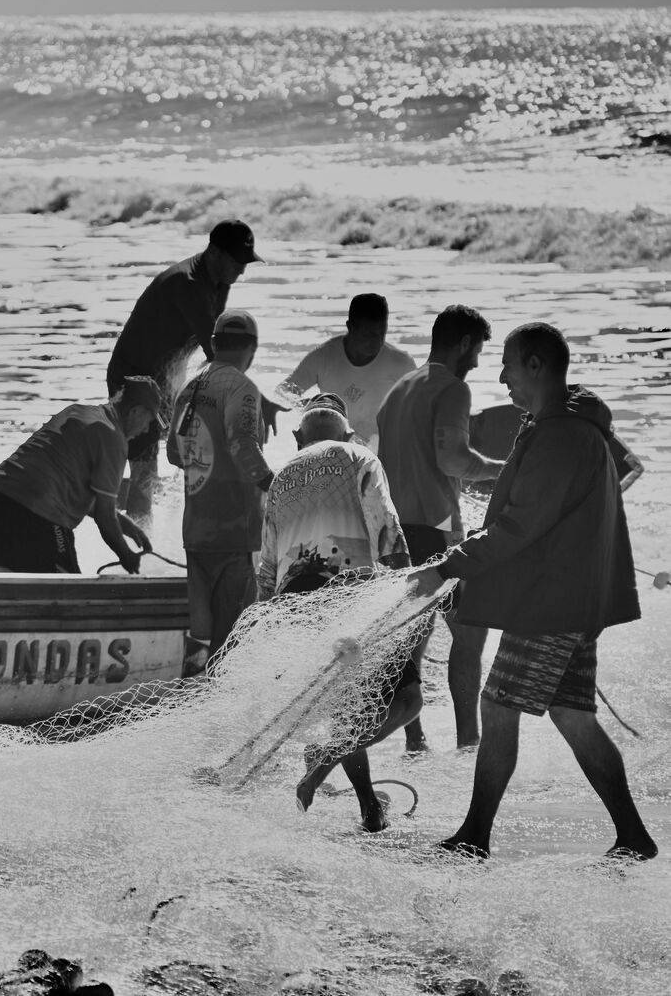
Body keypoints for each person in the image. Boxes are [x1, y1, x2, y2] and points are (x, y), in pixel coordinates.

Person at [411, 322, 655, 862]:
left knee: (498, 706)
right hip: (572, 599)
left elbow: (520, 526)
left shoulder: (561, 434)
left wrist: (448, 566)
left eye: (509, 365)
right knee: (572, 715)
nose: (502, 377)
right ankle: (634, 837)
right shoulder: (560, 425)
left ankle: (473, 836)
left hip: (551, 602)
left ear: (537, 366)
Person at [258, 403, 415, 832]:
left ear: (298, 439)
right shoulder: (358, 456)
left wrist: (268, 626)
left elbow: (267, 565)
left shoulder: (281, 477)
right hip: (349, 592)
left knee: (346, 707)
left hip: (294, 603)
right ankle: (322, 764)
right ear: (347, 436)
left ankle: (369, 809)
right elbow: (387, 528)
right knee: (408, 701)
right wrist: (407, 589)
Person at [374, 304, 503, 752]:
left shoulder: (398, 389)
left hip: (395, 533)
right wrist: (503, 471)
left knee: (413, 633)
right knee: (470, 631)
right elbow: (453, 460)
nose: (478, 363)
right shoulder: (452, 388)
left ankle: (415, 739)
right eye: (478, 350)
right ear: (464, 343)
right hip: (435, 529)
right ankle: (469, 742)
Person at [107, 219, 264, 522]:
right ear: (215, 252)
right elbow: (216, 353)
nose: (242, 271)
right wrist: (253, 398)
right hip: (134, 379)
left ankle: (141, 512)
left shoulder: (220, 281)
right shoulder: (187, 284)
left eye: (246, 262)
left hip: (166, 380)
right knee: (144, 468)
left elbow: (218, 352)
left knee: (179, 454)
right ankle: (137, 537)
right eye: (237, 262)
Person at [167, 308, 274, 678]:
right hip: (235, 531)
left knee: (200, 635)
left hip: (196, 529)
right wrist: (277, 488)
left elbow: (174, 453)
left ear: (214, 343)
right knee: (233, 639)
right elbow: (243, 447)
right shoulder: (242, 388)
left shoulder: (190, 387)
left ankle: (191, 695)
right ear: (252, 349)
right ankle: (219, 700)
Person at [0, 376, 161, 574]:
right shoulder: (113, 438)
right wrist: (126, 556)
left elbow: (71, 488)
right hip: (36, 510)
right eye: (148, 421)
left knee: (11, 577)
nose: (146, 429)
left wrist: (126, 525)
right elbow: (104, 517)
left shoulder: (78, 411)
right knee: (68, 585)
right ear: (135, 411)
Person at [275, 293, 416, 449]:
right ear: (350, 327)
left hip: (379, 450)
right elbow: (283, 391)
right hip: (335, 447)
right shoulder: (325, 357)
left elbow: (418, 410)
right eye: (368, 334)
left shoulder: (401, 363)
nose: (375, 341)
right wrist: (306, 406)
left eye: (380, 333)